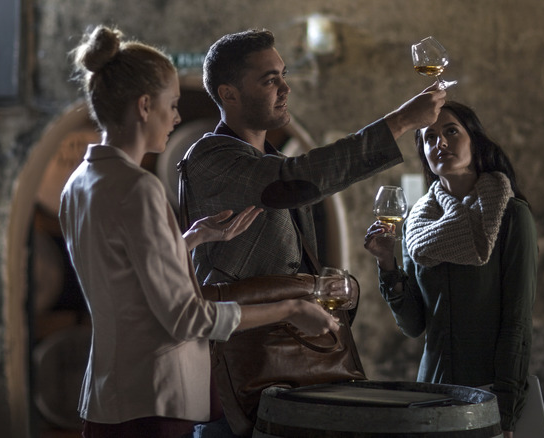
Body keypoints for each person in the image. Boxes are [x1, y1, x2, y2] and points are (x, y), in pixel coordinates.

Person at [60, 25, 339, 438]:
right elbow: (187, 318)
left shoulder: (79, 182)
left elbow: (121, 271)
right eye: (171, 105)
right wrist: (291, 309)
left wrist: (189, 239)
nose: (175, 117)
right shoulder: (139, 188)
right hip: (155, 397)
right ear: (143, 106)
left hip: (106, 394)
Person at [183, 29, 447, 436]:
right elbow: (297, 177)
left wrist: (336, 287)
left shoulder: (267, 159)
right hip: (235, 373)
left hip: (282, 369)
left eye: (284, 75)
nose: (285, 88)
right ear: (229, 94)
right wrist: (401, 122)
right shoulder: (210, 157)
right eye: (270, 80)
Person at [363, 101, 538, 437]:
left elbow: (517, 323)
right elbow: (414, 325)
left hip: (487, 393)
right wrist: (387, 263)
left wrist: (504, 411)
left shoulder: (512, 216)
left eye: (450, 131)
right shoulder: (418, 226)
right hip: (430, 393)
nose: (439, 143)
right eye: (429, 138)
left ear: (475, 140)